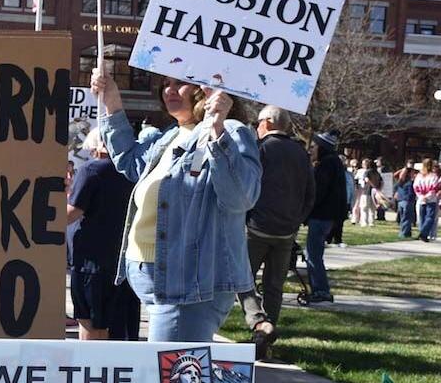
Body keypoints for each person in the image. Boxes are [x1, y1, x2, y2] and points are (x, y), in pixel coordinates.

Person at [90, 69, 260, 343]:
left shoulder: (230, 131)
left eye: (180, 83)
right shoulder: (173, 134)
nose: (169, 90)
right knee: (169, 376)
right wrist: (111, 99)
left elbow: (241, 197)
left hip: (189, 286)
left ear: (207, 89)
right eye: (165, 84)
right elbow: (132, 163)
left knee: (170, 380)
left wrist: (217, 129)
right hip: (160, 280)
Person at [235, 106, 315, 359]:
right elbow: (310, 193)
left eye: (258, 122)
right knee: (274, 286)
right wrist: (296, 220)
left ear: (267, 123)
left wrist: (246, 217)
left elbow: (248, 185)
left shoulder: (261, 149)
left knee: (241, 278)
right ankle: (264, 344)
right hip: (286, 231)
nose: (256, 127)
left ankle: (258, 322)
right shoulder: (302, 153)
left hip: (257, 227)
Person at [66, 129, 139, 341]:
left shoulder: (91, 170)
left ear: (97, 145)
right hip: (124, 261)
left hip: (91, 262)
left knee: (90, 322)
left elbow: (71, 213)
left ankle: (91, 370)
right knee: (121, 326)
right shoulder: (134, 172)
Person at [305, 132, 349, 303]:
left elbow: (318, 192)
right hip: (329, 216)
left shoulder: (326, 165)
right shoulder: (335, 163)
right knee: (314, 253)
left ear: (322, 148)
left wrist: (306, 209)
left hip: (321, 216)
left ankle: (321, 290)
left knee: (313, 254)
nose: (312, 149)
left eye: (314, 146)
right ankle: (319, 288)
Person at [413, 159, 441, 242]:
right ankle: (423, 233)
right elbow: (434, 188)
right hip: (431, 199)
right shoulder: (433, 176)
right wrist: (427, 196)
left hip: (421, 199)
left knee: (422, 217)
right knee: (430, 217)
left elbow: (416, 187)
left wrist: (421, 196)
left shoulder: (419, 176)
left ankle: (423, 233)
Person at [394, 165, 417, 238]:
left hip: (401, 200)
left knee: (403, 218)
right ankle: (403, 233)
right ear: (409, 173)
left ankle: (407, 232)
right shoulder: (410, 182)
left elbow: (395, 175)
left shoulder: (401, 181)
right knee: (407, 218)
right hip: (408, 201)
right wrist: (405, 169)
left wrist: (403, 170)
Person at [355, 159, 378, 227]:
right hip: (374, 193)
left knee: (364, 208)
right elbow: (382, 182)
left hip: (366, 191)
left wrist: (371, 185)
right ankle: (372, 222)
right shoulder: (376, 172)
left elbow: (366, 180)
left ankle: (364, 222)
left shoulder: (366, 172)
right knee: (372, 209)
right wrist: (377, 188)